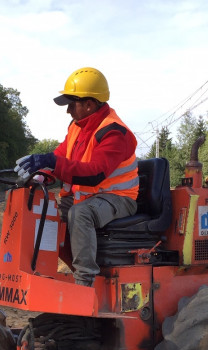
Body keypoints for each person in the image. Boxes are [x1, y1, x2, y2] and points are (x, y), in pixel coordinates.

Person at [14, 67, 138, 287]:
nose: (68, 110)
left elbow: (94, 173)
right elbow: (61, 157)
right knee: (47, 214)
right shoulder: (76, 127)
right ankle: (44, 271)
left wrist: (52, 163)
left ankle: (85, 281)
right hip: (88, 196)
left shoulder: (114, 132)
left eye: (72, 104)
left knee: (80, 214)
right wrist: (40, 174)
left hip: (118, 197)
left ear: (89, 104)